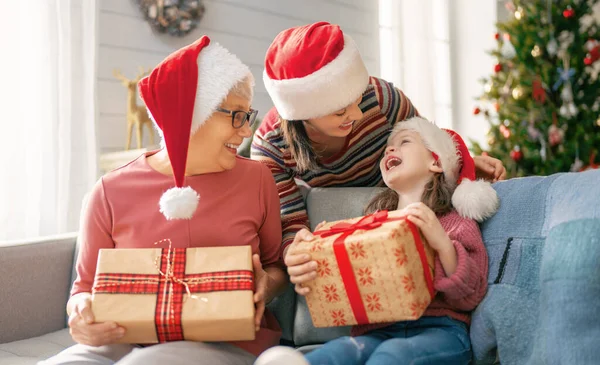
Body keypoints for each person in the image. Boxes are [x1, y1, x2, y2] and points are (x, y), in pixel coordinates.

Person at [40, 36, 287, 365]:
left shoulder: (257, 179)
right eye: (236, 115)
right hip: (123, 338)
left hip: (226, 340)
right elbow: (83, 288)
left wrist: (264, 287)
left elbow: (276, 266)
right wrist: (82, 317)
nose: (245, 132)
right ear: (190, 115)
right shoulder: (109, 190)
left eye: (248, 116)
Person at [250, 21, 506, 264]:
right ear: (301, 115)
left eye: (359, 98)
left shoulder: (382, 99)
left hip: (403, 210)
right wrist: (298, 253)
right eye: (340, 111)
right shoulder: (270, 147)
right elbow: (290, 224)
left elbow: (430, 146)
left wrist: (463, 164)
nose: (358, 114)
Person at [255, 116, 497, 364]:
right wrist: (315, 267)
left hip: (440, 331)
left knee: (392, 356)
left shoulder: (455, 222)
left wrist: (442, 244)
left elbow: (471, 295)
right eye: (388, 148)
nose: (390, 149)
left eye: (404, 142)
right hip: (375, 331)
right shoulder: (372, 225)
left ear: (436, 161)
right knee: (338, 352)